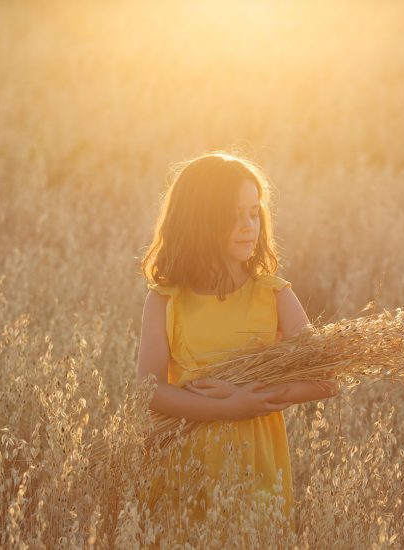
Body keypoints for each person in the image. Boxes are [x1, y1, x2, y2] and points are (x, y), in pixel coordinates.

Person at [136, 151, 338, 532]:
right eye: (234, 214)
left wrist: (250, 396)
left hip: (255, 464)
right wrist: (229, 408)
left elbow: (327, 379)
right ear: (200, 220)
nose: (249, 226)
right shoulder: (166, 300)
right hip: (184, 466)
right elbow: (149, 391)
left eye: (254, 212)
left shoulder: (274, 294)